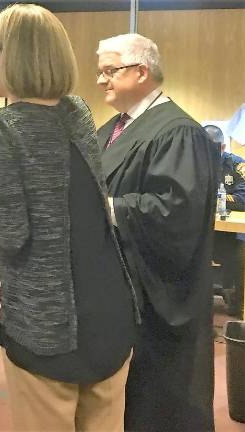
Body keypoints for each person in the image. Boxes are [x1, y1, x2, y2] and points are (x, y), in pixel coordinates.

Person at [0, 4, 137, 431]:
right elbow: (59, 190)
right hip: (111, 312)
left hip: (50, 327)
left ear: (11, 55)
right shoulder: (78, 111)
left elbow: (12, 233)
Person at [97, 33, 217, 431]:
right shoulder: (112, 128)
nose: (101, 81)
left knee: (161, 401)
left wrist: (103, 207)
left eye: (109, 71)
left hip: (159, 292)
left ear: (141, 71)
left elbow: (174, 212)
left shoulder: (178, 132)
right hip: (118, 288)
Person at [205, 124, 245, 317]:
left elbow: (243, 198)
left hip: (232, 235)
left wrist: (215, 199)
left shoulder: (237, 165)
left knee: (238, 256)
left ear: (222, 148)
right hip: (203, 231)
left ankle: (236, 299)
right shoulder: (193, 164)